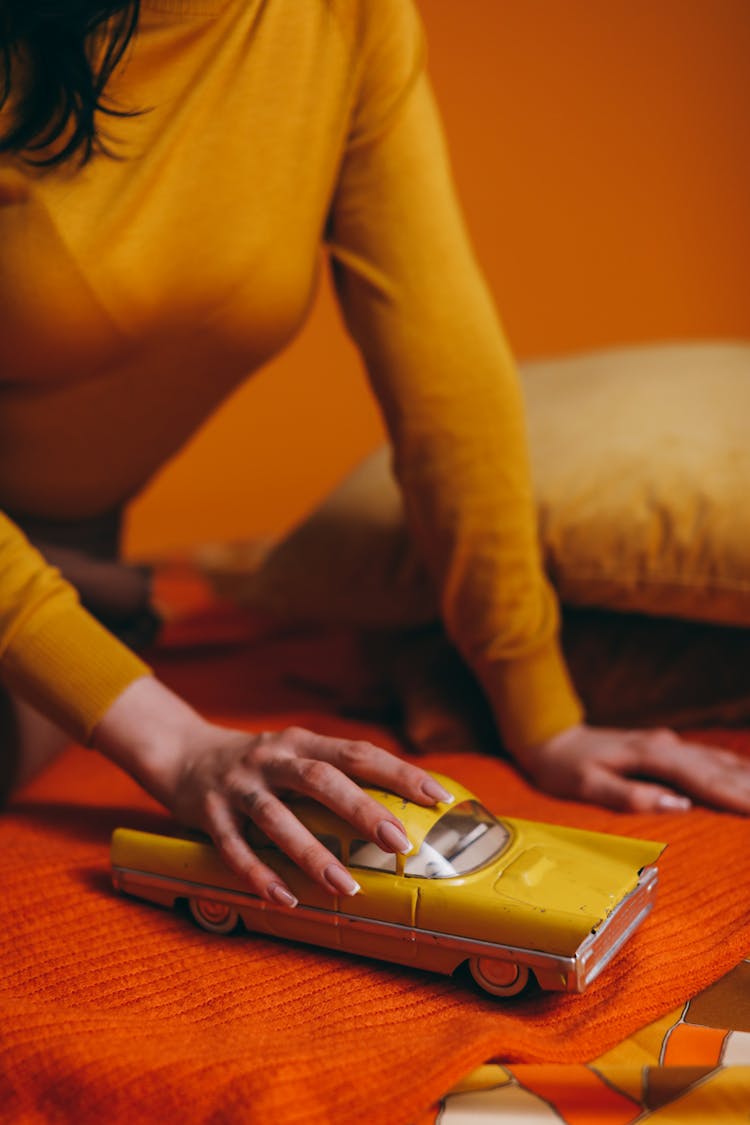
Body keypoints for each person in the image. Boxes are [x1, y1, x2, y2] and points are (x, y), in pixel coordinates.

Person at [1, 0, 748, 908]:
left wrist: (544, 717)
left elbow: (445, 376)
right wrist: (177, 739)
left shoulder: (342, 20)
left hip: (68, 566)